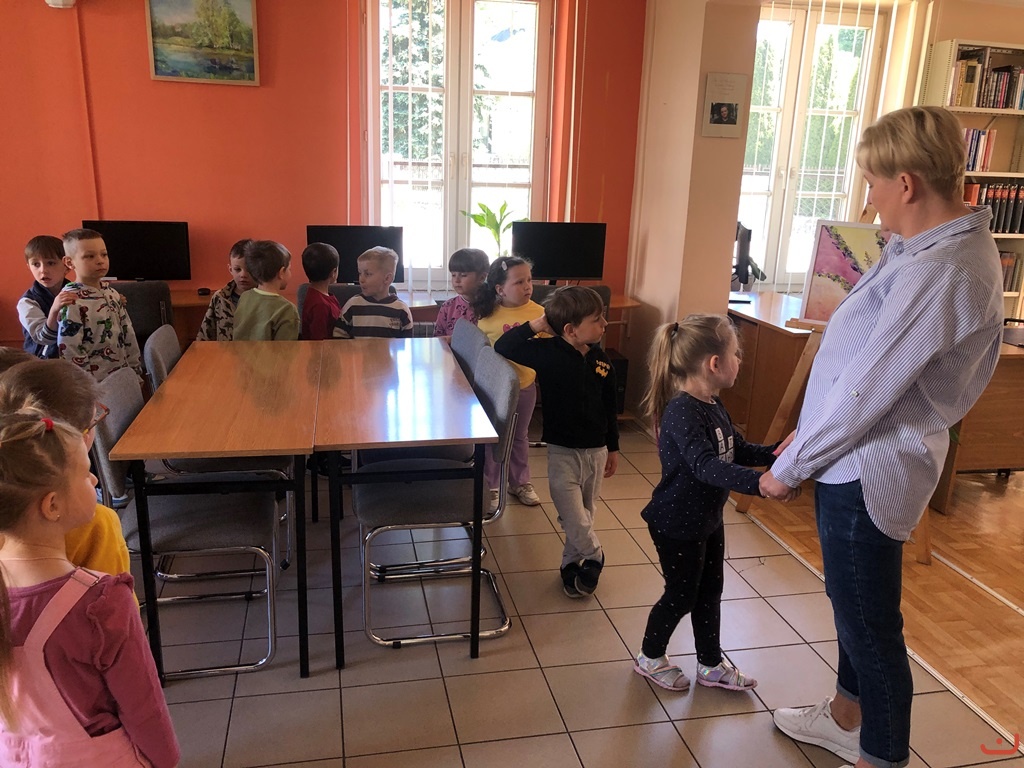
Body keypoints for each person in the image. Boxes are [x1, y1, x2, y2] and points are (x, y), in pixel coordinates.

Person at [763, 106, 1004, 768]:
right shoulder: (923, 249)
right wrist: (806, 435)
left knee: (870, 628)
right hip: (853, 459)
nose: (868, 200)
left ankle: (883, 756)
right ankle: (848, 719)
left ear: (906, 183)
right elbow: (861, 366)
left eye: (872, 183)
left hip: (869, 470)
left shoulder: (944, 269)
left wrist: (792, 466)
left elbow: (869, 388)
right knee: (854, 608)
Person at [0, 411, 179, 766]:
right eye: (85, 473)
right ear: (52, 505)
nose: (95, 479)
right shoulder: (102, 604)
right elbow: (144, 708)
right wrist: (167, 760)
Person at [632, 315, 794, 693]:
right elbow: (706, 466)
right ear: (715, 363)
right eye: (736, 354)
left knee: (710, 591)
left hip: (706, 518)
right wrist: (761, 484)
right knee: (682, 594)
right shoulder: (682, 411)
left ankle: (710, 664)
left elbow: (736, 449)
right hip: (676, 522)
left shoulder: (712, 404)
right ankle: (649, 657)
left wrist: (775, 454)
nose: (740, 361)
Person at [494, 286, 619, 597]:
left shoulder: (602, 361)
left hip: (597, 451)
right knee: (573, 514)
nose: (605, 324)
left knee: (585, 513)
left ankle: (570, 565)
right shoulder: (547, 352)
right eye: (597, 319)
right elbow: (504, 345)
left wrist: (613, 447)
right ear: (571, 329)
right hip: (563, 452)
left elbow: (610, 407)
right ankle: (595, 555)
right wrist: (537, 324)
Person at [0, 357, 132, 577]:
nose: (94, 479)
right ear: (78, 436)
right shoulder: (95, 525)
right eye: (94, 421)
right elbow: (116, 596)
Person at [471, 256, 544, 509]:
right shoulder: (487, 315)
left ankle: (520, 482)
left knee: (519, 436)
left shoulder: (540, 313)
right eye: (519, 282)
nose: (527, 286)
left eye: (529, 280)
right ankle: (490, 485)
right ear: (500, 289)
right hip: (493, 389)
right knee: (493, 436)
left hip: (524, 387)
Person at [56, 229, 142, 383]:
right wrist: (87, 387)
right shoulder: (71, 301)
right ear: (69, 262)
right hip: (96, 385)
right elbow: (70, 349)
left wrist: (135, 371)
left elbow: (128, 333)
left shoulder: (112, 294)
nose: (100, 261)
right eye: (90, 256)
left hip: (124, 378)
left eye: (104, 254)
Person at [336, 247, 413, 338]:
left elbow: (407, 343)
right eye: (360, 273)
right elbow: (338, 337)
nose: (361, 279)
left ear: (387, 278)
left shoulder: (401, 310)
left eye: (368, 274)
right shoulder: (352, 305)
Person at [18, 235, 74, 360]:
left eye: (51, 263)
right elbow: (43, 338)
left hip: (73, 358)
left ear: (67, 266)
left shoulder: (76, 292)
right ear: (29, 267)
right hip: (41, 362)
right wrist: (54, 310)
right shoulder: (28, 302)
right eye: (36, 264)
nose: (43, 270)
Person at [232, 240, 300, 342]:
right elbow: (286, 350)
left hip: (239, 352)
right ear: (281, 272)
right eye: (289, 269)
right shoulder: (287, 310)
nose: (290, 272)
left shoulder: (245, 297)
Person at [196, 238, 255, 342]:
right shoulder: (220, 298)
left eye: (249, 269)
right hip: (225, 351)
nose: (243, 275)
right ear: (230, 269)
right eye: (237, 269)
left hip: (255, 351)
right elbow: (205, 334)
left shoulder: (266, 298)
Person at [434, 248, 490, 337]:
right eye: (453, 275)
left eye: (463, 275)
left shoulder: (493, 305)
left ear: (482, 277)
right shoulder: (448, 307)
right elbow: (438, 339)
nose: (456, 280)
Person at [300, 242, 342, 341]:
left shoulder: (320, 296)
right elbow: (319, 341)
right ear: (333, 272)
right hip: (325, 349)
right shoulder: (320, 305)